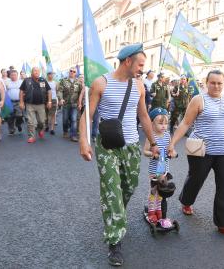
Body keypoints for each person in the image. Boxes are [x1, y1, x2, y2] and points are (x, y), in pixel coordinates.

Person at [79, 43, 159, 266]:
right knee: (112, 190)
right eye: (140, 64)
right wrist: (84, 142)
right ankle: (114, 240)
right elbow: (88, 115)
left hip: (131, 145)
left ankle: (115, 214)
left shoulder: (140, 86)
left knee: (129, 186)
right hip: (107, 145)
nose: (142, 69)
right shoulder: (101, 83)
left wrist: (153, 142)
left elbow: (143, 116)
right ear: (127, 61)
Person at [168, 69, 224, 238]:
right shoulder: (198, 100)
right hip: (202, 150)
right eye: (213, 82)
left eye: (219, 83)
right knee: (196, 179)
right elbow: (186, 123)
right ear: (206, 83)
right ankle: (186, 201)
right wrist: (172, 143)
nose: (216, 86)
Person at [143, 107, 176, 223]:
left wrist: (172, 153)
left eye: (166, 123)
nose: (164, 126)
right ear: (152, 123)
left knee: (162, 191)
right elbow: (145, 151)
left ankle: (159, 210)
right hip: (154, 170)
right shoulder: (151, 137)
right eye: (160, 123)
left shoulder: (167, 136)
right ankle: (151, 211)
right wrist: (153, 154)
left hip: (164, 170)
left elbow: (172, 150)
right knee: (153, 191)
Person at [19, 67, 52, 143]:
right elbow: (21, 91)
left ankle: (40, 129)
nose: (37, 72)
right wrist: (21, 102)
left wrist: (49, 102)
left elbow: (49, 91)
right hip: (30, 104)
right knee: (31, 121)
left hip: (41, 105)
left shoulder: (43, 80)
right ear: (31, 72)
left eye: (38, 71)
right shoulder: (27, 80)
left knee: (42, 121)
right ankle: (31, 136)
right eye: (35, 71)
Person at [57, 66, 82, 142]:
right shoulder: (63, 81)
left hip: (74, 104)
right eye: (71, 71)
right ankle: (65, 131)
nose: (72, 72)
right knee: (65, 119)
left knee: (74, 119)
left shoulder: (78, 82)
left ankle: (73, 135)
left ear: (76, 73)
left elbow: (81, 92)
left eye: (74, 72)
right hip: (66, 103)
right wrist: (61, 99)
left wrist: (79, 102)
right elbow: (60, 91)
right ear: (69, 72)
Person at [5, 70, 23, 135]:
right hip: (9, 102)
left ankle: (18, 124)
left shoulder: (21, 82)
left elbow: (24, 92)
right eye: (12, 75)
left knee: (19, 115)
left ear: (17, 75)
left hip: (19, 101)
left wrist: (22, 101)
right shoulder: (7, 82)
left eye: (15, 75)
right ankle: (11, 129)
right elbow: (4, 92)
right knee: (10, 117)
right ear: (10, 76)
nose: (13, 76)